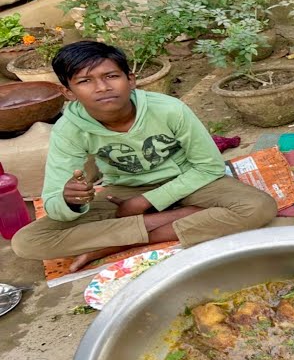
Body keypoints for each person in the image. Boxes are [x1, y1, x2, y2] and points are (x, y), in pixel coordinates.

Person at [11, 41, 277, 269]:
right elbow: (54, 202)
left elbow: (209, 167)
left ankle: (111, 244)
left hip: (189, 180)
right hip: (122, 191)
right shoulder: (68, 130)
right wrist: (71, 202)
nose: (102, 87)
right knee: (27, 241)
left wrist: (143, 203)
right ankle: (179, 217)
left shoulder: (169, 109)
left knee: (259, 207)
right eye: (85, 81)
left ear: (131, 79)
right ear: (68, 92)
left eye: (111, 76)